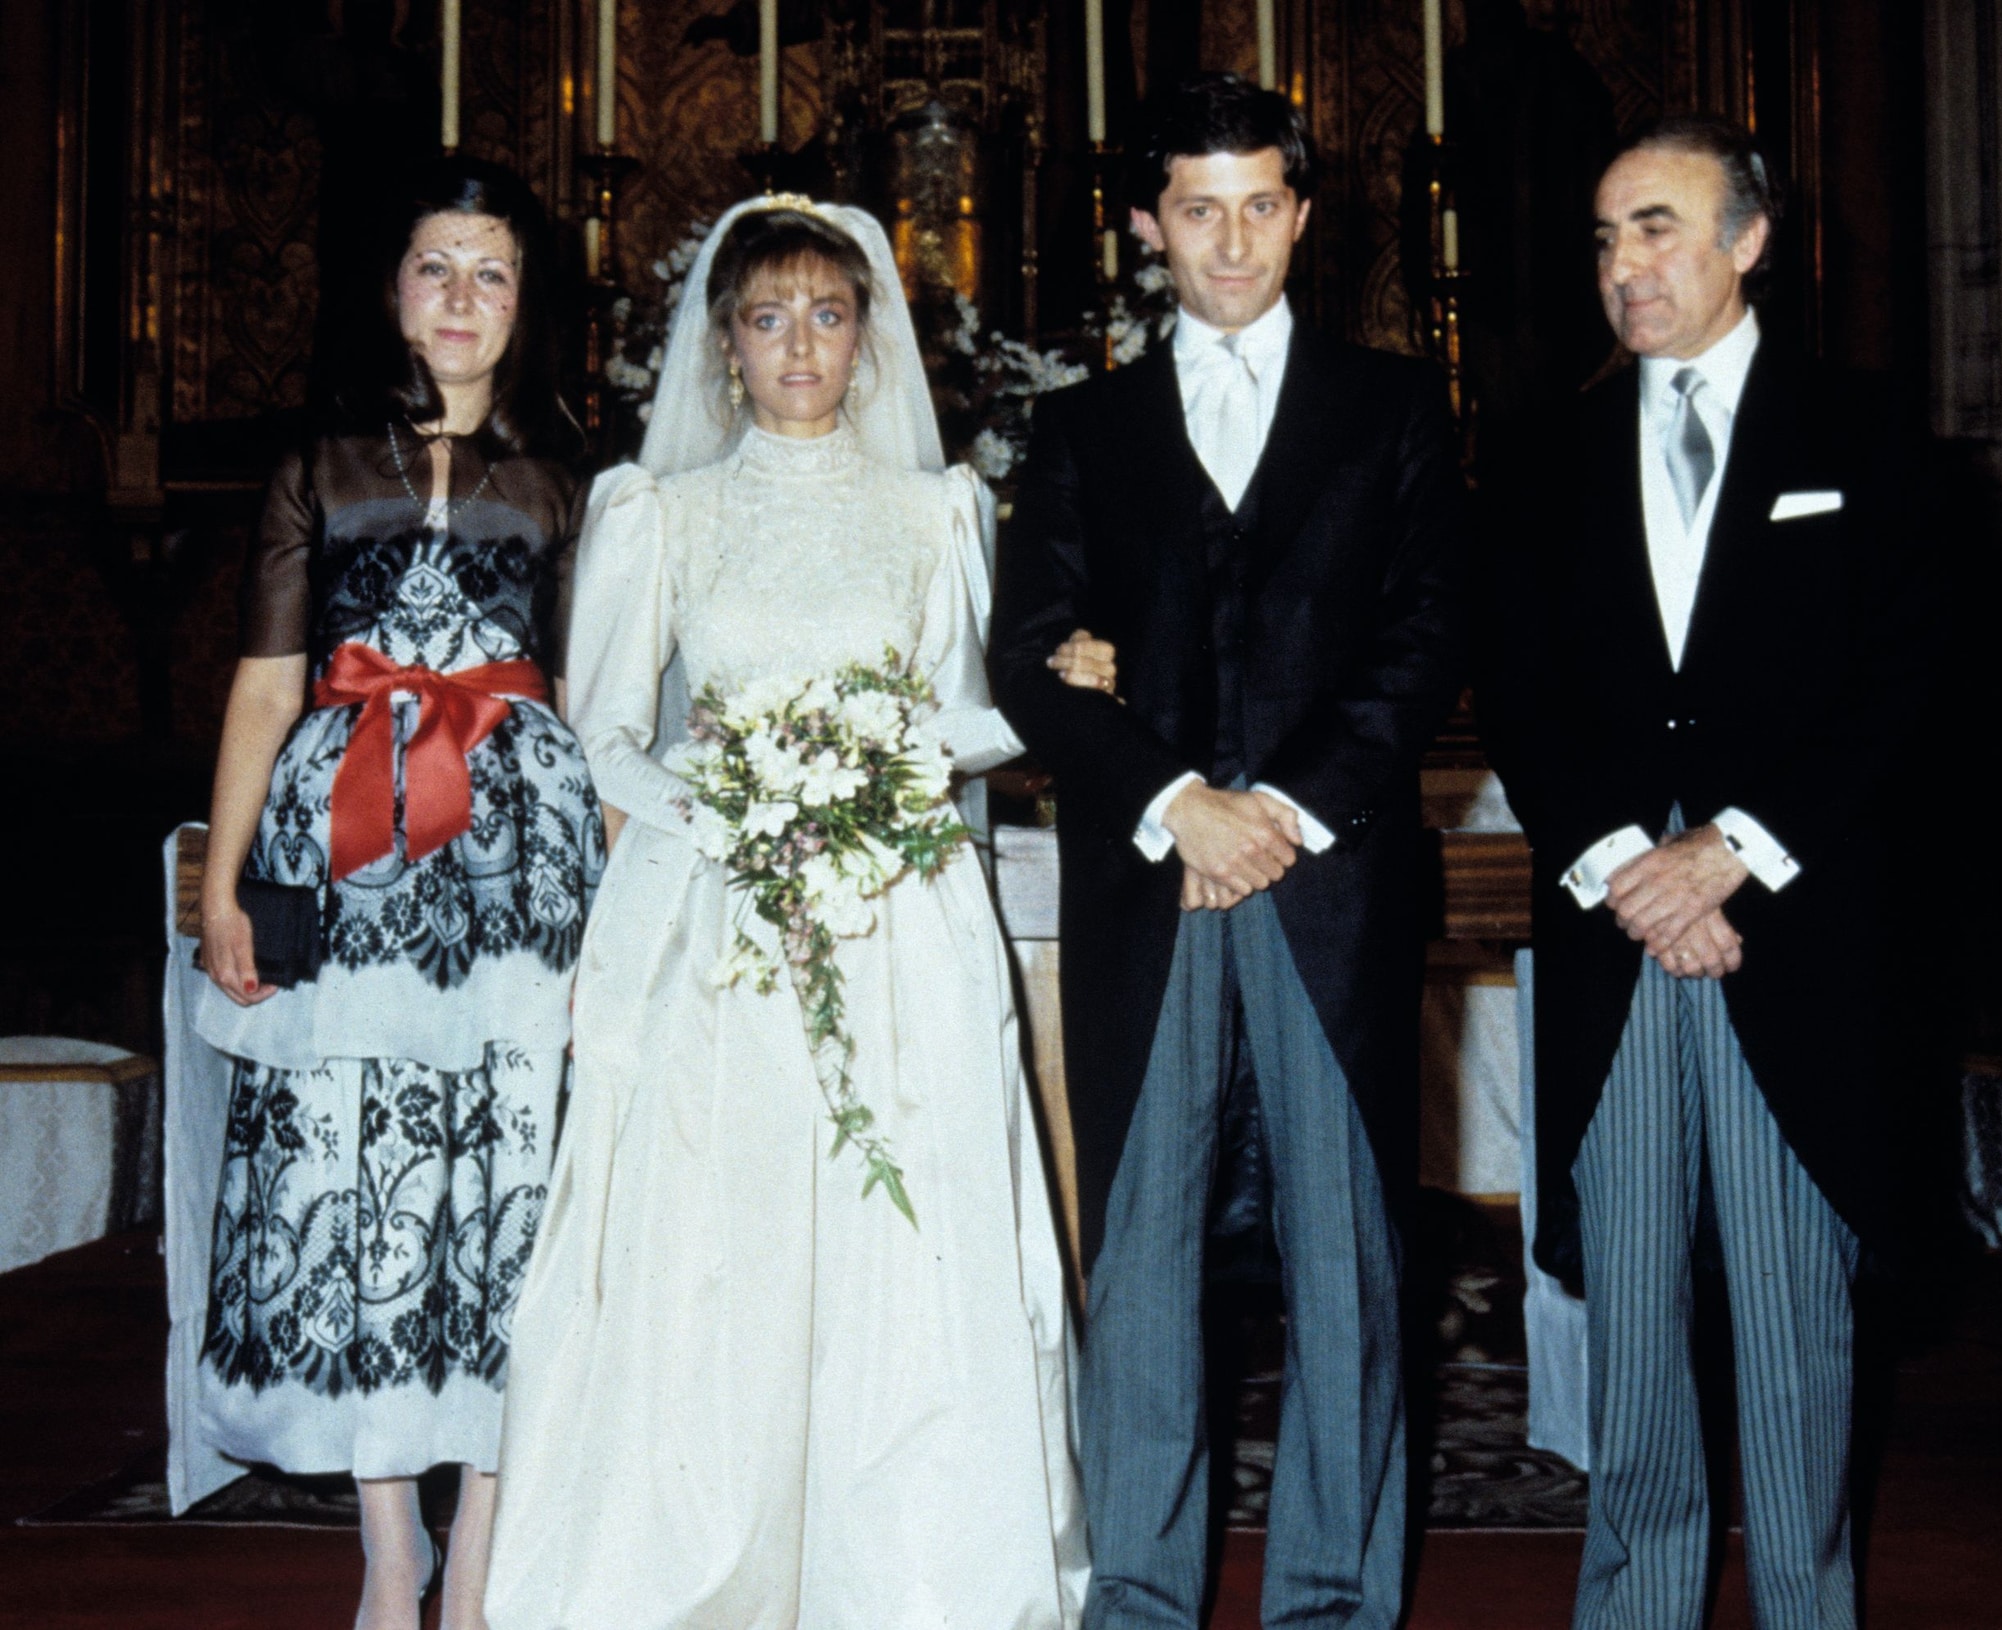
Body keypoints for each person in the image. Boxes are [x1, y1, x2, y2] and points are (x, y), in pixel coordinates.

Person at [483, 197, 1109, 1628]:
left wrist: (880, 770)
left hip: (896, 904)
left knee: (904, 1230)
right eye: (769, 318)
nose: (802, 345)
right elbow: (606, 729)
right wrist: (745, 806)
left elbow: (976, 715)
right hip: (719, 919)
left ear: (869, 337)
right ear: (724, 346)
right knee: (727, 1226)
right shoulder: (665, 513)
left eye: (829, 315)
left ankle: (913, 1569)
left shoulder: (934, 509)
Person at [990, 74, 1468, 1629]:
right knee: (1143, 1271)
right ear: (1150, 228)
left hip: (1328, 886)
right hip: (1153, 888)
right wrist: (1173, 802)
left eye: (1263, 203)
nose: (1235, 238)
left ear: (1304, 214)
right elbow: (1028, 650)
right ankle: (1137, 1591)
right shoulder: (1079, 428)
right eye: (1202, 209)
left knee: (1349, 1269)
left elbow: (1425, 632)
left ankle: (1333, 1599)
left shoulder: (1395, 405)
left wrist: (1287, 811)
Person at [1474, 116, 1949, 1629]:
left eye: (1659, 227)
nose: (1627, 266)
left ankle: (1811, 1607)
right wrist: (1630, 868)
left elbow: (1910, 679)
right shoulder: (1544, 450)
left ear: (1750, 240)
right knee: (1631, 1328)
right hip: (1623, 941)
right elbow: (1521, 690)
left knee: (1795, 1327)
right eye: (1608, 237)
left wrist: (1728, 854)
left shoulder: (1865, 433)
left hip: (1783, 943)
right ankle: (1638, 1604)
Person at [191, 157, 602, 1630]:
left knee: (511, 1179)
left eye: (491, 272)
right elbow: (264, 683)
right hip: (347, 845)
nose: (462, 298)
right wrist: (227, 879)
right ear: (393, 290)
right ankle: (388, 1545)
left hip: (519, 854)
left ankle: (481, 1555)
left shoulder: (569, 477)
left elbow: (602, 698)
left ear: (523, 303)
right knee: (351, 1169)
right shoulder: (320, 464)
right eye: (437, 266)